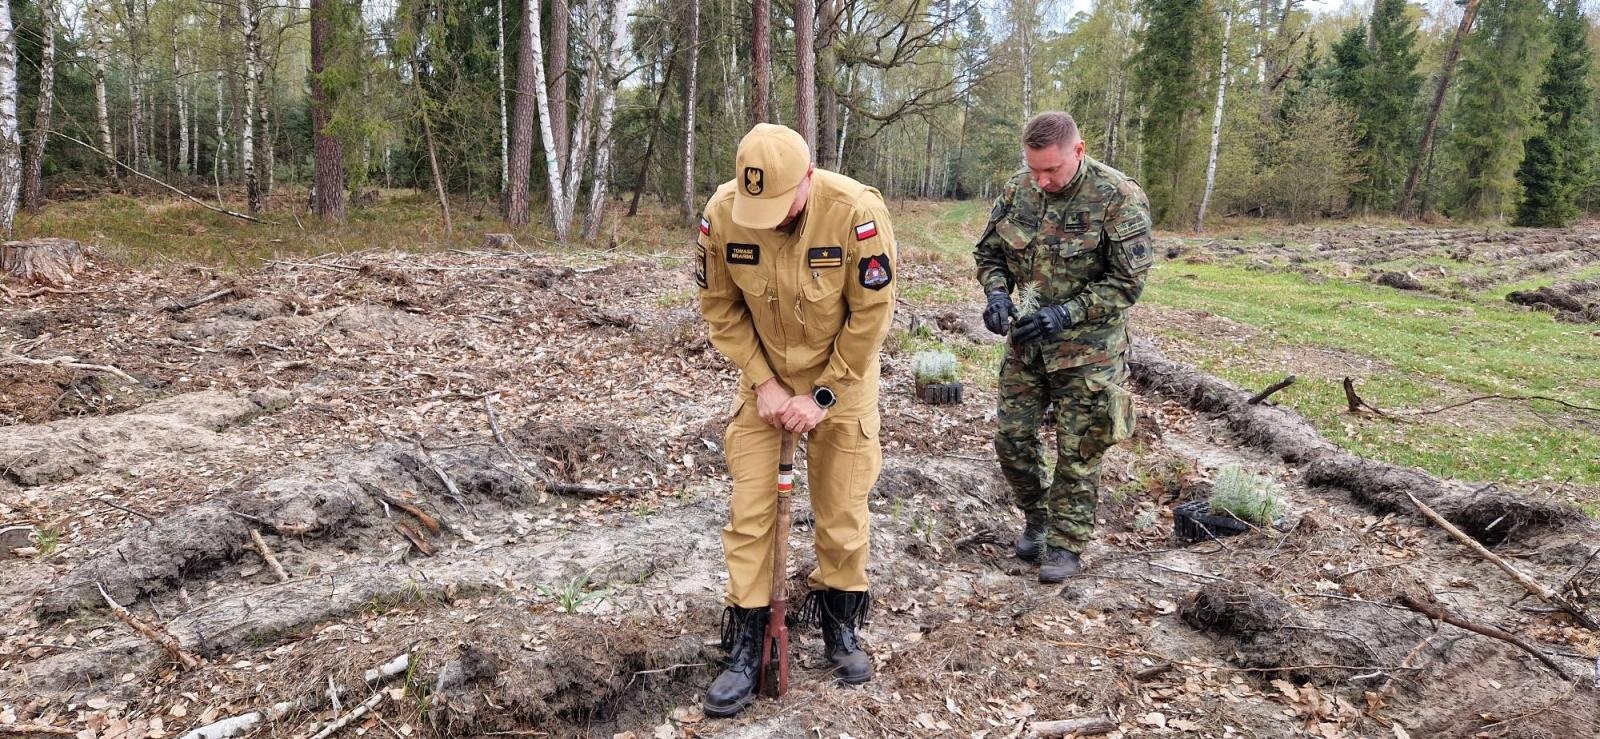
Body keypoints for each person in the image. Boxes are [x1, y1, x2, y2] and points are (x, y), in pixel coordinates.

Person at [695, 123, 897, 717]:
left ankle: (839, 624)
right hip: (765, 383)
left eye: (782, 205)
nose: (770, 219)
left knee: (841, 511)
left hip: (843, 384)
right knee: (750, 512)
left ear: (808, 179)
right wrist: (763, 382)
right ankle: (748, 640)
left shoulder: (855, 213)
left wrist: (823, 397)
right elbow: (720, 307)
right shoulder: (723, 213)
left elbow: (871, 316)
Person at [973, 111, 1154, 583]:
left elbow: (1126, 283)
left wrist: (1065, 313)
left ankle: (1066, 544)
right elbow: (990, 253)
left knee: (1078, 450)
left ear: (1079, 150)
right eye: (1034, 168)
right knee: (1011, 440)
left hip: (1088, 351)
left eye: (1051, 170)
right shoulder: (1019, 189)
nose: (1042, 180)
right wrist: (996, 294)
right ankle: (1037, 519)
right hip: (1028, 346)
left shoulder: (1118, 197)